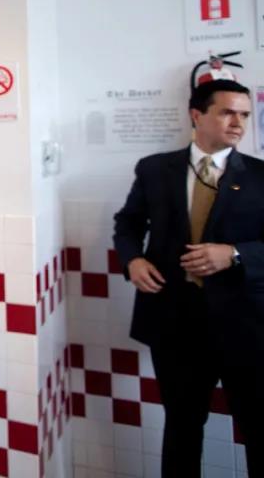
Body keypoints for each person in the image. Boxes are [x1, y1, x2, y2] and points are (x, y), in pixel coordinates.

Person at [112, 79, 264, 476]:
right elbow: (127, 223)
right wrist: (133, 261)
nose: (238, 123)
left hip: (246, 325)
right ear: (197, 115)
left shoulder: (260, 176)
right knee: (181, 426)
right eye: (227, 112)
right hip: (175, 323)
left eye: (244, 115)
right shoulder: (154, 169)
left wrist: (233, 254)